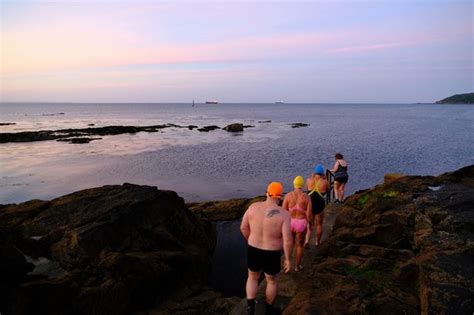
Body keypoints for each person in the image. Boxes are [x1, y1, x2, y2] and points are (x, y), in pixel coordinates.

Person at [240, 182, 293, 315]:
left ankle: (250, 308)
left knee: (252, 277)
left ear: (267, 193)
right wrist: (287, 258)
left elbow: (243, 228)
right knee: (272, 281)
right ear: (280, 196)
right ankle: (269, 309)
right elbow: (287, 239)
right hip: (272, 253)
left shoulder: (253, 207)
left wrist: (250, 240)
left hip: (253, 249)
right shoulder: (284, 215)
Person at [282, 176, 312, 272]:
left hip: (290, 222)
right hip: (301, 223)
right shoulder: (307, 197)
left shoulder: (288, 196)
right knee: (299, 245)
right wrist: (310, 224)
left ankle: (287, 263)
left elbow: (283, 211)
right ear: (302, 185)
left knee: (289, 244)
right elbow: (309, 215)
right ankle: (297, 266)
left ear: (294, 184)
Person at [305, 164, 328, 246]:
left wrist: (312, 178)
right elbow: (327, 190)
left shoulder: (309, 180)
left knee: (309, 224)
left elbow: (307, 188)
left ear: (314, 172)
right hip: (320, 204)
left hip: (310, 204)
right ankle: (317, 242)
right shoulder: (325, 182)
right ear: (322, 173)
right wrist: (324, 179)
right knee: (319, 224)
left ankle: (307, 240)